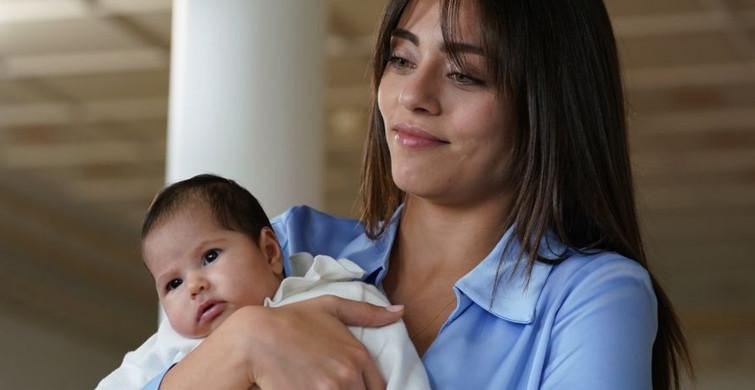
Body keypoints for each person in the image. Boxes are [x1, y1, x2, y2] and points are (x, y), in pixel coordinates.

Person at [140, 0, 693, 389]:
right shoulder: (287, 243)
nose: (413, 95)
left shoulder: (592, 294)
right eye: (401, 59)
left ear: (548, 106)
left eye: (465, 74)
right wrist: (244, 338)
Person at [97, 174, 429, 390]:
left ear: (270, 250)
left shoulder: (344, 295)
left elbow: (403, 376)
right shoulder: (168, 347)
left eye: (210, 257)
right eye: (173, 284)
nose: (194, 285)